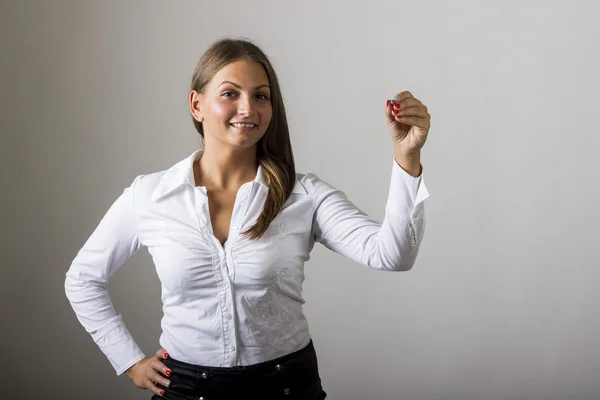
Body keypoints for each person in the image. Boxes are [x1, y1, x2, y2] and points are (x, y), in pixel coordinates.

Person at [64, 37, 431, 399]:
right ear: (197, 105)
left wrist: (407, 158)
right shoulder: (151, 195)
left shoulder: (304, 195)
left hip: (286, 387)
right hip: (187, 390)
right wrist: (129, 361)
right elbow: (82, 279)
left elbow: (392, 254)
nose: (248, 109)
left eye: (260, 96)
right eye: (230, 94)